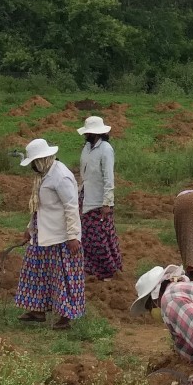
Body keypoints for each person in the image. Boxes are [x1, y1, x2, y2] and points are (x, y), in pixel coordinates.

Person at [15, 138, 85, 329]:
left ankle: (64, 317)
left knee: (62, 276)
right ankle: (36, 310)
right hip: (41, 232)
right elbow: (39, 207)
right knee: (34, 271)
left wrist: (73, 236)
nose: (33, 168)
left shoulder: (61, 176)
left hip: (60, 235)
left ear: (42, 160)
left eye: (34, 163)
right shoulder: (43, 176)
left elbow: (71, 208)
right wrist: (30, 228)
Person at [78, 115, 122, 280]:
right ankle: (91, 270)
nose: (85, 135)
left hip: (99, 200)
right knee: (86, 237)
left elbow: (108, 178)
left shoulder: (106, 149)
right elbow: (84, 173)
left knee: (101, 238)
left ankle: (108, 272)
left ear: (94, 133)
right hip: (86, 196)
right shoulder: (87, 148)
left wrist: (107, 203)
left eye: (87, 132)